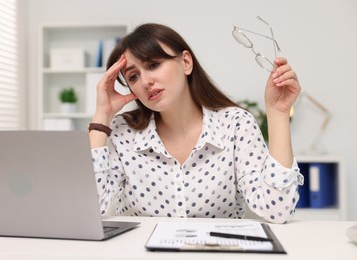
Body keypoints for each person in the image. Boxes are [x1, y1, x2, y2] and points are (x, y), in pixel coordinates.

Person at [88, 23, 303, 224]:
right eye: (133, 76)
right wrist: (102, 114)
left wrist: (278, 112)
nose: (145, 82)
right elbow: (93, 210)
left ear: (186, 62)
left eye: (153, 65)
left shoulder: (235, 124)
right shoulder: (123, 132)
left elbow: (278, 210)